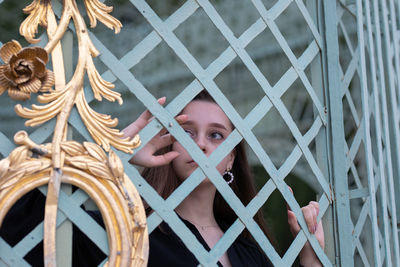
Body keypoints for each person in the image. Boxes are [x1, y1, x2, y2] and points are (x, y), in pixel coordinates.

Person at [123, 90, 325, 267]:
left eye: (216, 135)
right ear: (169, 143)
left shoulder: (250, 251)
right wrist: (119, 154)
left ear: (231, 158)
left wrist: (312, 259)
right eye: (186, 132)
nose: (200, 144)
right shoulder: (133, 231)